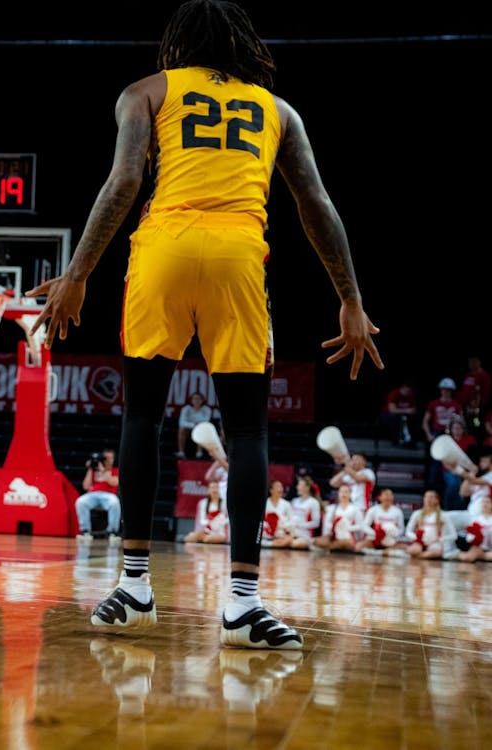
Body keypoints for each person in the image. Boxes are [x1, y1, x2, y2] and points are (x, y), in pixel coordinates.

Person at [25, 0, 383, 648]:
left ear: (176, 44)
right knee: (247, 432)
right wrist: (350, 297)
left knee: (141, 418)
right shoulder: (279, 111)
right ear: (244, 45)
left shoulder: (145, 92)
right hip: (239, 257)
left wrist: (77, 273)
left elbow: (123, 181)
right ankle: (243, 603)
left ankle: (135, 586)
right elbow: (317, 205)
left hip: (162, 248)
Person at [74, 448, 122, 544]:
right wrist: (90, 469)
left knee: (115, 502)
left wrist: (103, 470)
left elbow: (115, 483)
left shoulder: (115, 470)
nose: (108, 461)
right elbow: (85, 486)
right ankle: (85, 531)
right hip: (93, 495)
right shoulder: (94, 470)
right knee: (80, 501)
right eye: (106, 458)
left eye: (110, 458)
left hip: (109, 496)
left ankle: (112, 532)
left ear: (113, 459)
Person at [405, 490, 458, 560]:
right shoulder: (417, 513)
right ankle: (420, 555)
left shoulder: (443, 515)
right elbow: (408, 531)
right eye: (426, 497)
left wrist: (440, 539)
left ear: (436, 500)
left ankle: (419, 556)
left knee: (437, 552)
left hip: (435, 543)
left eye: (431, 497)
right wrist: (417, 538)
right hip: (421, 541)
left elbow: (454, 535)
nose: (428, 499)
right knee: (412, 550)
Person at [356, 488, 408, 556]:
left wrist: (393, 533)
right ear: (380, 497)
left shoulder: (398, 511)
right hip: (375, 539)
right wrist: (376, 533)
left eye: (390, 495)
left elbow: (401, 529)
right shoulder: (373, 510)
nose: (388, 497)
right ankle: (384, 552)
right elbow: (365, 526)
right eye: (386, 495)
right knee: (358, 547)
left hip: (390, 540)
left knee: (406, 548)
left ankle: (380, 552)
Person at [313, 485, 364, 553]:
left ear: (350, 494)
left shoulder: (355, 509)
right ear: (338, 494)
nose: (343, 494)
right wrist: (332, 530)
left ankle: (329, 548)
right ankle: (333, 547)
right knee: (317, 541)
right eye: (341, 492)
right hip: (334, 535)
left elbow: (360, 526)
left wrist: (348, 528)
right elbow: (327, 524)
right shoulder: (332, 508)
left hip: (348, 536)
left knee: (345, 542)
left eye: (346, 492)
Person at [182, 480, 229, 544]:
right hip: (208, 530)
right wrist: (210, 522)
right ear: (208, 490)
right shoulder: (203, 503)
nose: (214, 490)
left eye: (216, 487)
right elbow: (202, 521)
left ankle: (206, 538)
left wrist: (218, 521)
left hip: (220, 532)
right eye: (212, 488)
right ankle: (202, 538)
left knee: (208, 539)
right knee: (188, 538)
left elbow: (228, 520)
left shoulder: (225, 503)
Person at [378, 380, 418, 447]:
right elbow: (392, 410)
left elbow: (413, 409)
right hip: (388, 415)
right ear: (403, 388)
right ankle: (397, 442)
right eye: (407, 391)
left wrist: (410, 411)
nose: (408, 393)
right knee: (395, 419)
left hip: (404, 416)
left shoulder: (410, 395)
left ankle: (411, 442)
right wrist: (407, 410)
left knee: (415, 418)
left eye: (410, 391)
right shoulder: (394, 394)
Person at [287, 475, 322, 550]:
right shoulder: (294, 501)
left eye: (300, 485)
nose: (297, 487)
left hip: (305, 534)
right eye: (298, 485)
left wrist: (300, 525)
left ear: (307, 487)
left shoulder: (314, 502)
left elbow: (316, 523)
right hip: (291, 532)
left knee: (295, 544)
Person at [176, 391, 213, 458]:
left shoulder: (207, 409)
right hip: (188, 430)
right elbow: (181, 422)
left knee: (202, 429)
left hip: (201, 430)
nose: (196, 400)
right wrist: (194, 425)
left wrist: (196, 426)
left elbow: (206, 422)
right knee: (181, 429)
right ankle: (181, 452)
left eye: (198, 399)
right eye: (194, 399)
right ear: (191, 400)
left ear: (202, 400)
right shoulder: (186, 409)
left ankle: (199, 452)